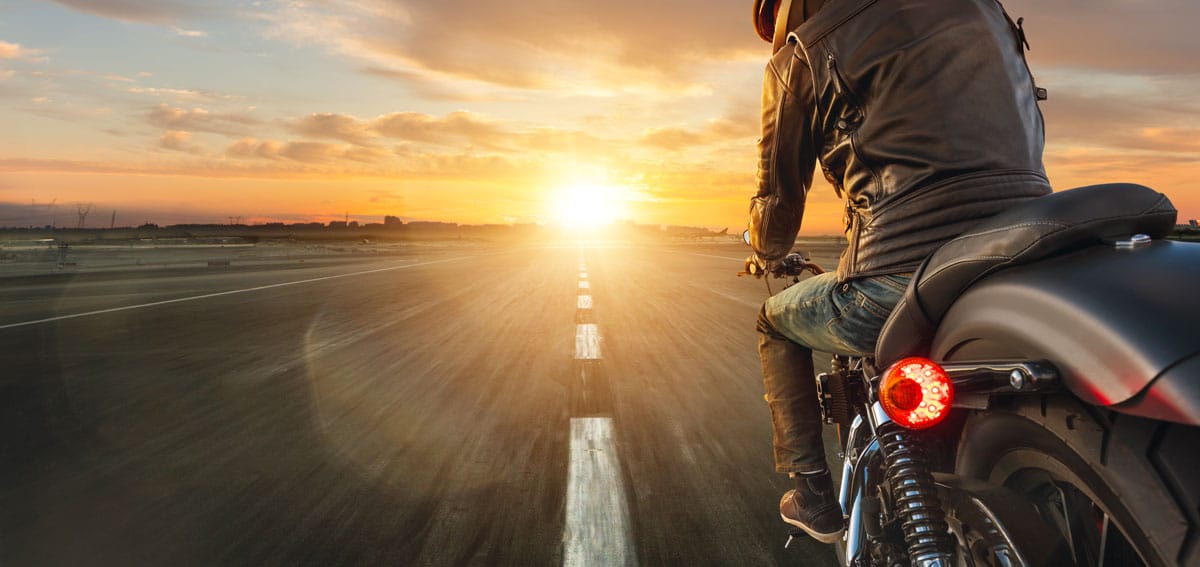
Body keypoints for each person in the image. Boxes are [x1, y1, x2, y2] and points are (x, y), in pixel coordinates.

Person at [744, 0, 1051, 543]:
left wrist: (763, 251)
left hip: (902, 272)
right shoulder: (986, 13)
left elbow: (777, 211)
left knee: (774, 319)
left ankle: (811, 491)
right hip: (1026, 247)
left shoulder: (801, 54)